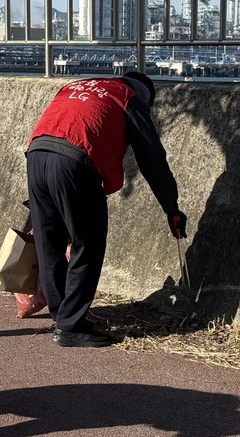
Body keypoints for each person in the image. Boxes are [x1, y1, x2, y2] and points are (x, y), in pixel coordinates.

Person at [26, 71, 187, 348]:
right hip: (76, 161)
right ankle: (71, 326)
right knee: (87, 242)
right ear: (146, 96)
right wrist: (171, 206)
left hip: (37, 155)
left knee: (49, 241)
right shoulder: (131, 98)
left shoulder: (75, 86)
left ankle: (62, 314)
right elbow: (152, 159)